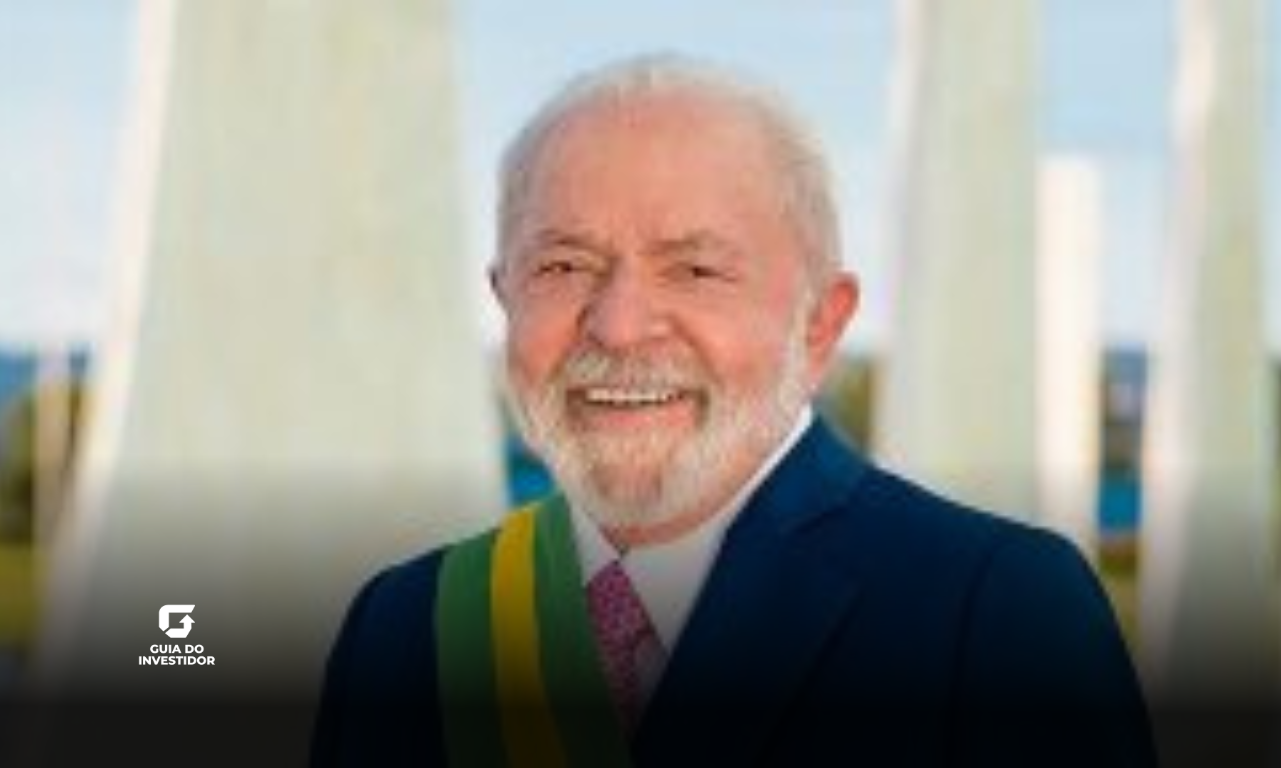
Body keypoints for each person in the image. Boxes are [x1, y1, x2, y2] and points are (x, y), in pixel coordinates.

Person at [312, 54, 1155, 767]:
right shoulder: (403, 626)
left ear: (821, 324)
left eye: (694, 270)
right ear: (505, 300)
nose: (618, 325)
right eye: (563, 267)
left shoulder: (1003, 615)